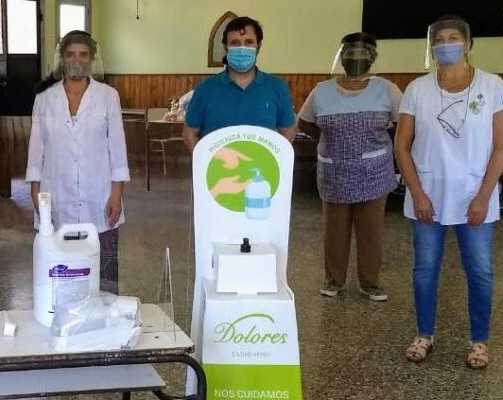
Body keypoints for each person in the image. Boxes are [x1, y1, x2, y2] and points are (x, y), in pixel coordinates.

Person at [395, 15, 503, 369]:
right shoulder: (417, 89)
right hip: (428, 194)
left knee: (480, 271)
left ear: (468, 43)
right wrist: (417, 193)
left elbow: (500, 147)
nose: (446, 44)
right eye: (438, 40)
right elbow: (402, 146)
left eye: (453, 38)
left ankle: (479, 341)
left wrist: (484, 196)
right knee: (425, 269)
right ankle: (424, 334)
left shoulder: (493, 85)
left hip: (475, 195)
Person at [297, 32, 402, 301]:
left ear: (373, 57)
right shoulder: (322, 91)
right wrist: (332, 140)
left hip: (374, 173)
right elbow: (305, 122)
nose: (355, 57)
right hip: (335, 172)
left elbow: (402, 125)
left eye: (362, 52)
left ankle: (371, 283)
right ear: (341, 56)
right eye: (350, 52)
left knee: (371, 231)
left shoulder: (387, 89)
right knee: (335, 231)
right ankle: (333, 280)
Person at [26, 30, 130, 294]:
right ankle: (63, 308)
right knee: (62, 262)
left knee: (104, 264)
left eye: (83, 54)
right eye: (71, 54)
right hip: (56, 192)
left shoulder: (108, 96)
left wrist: (117, 193)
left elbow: (117, 147)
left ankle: (106, 308)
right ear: (62, 58)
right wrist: (35, 190)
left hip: (100, 192)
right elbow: (36, 148)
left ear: (92, 59)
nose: (77, 60)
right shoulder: (44, 99)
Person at [183, 16, 296, 150]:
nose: (242, 49)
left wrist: (273, 159)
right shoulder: (205, 89)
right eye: (235, 43)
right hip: (218, 164)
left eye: (249, 42)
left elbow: (288, 133)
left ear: (258, 46)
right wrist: (205, 160)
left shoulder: (277, 88)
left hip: (262, 164)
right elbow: (189, 134)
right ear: (225, 47)